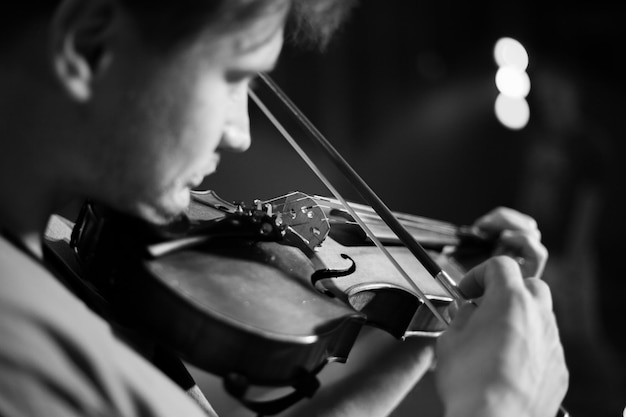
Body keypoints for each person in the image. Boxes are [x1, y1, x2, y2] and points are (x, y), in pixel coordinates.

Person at [0, 1, 568, 416]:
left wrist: (437, 321)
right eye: (235, 77)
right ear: (88, 47)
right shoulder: (18, 350)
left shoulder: (53, 257)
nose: (240, 134)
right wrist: (501, 407)